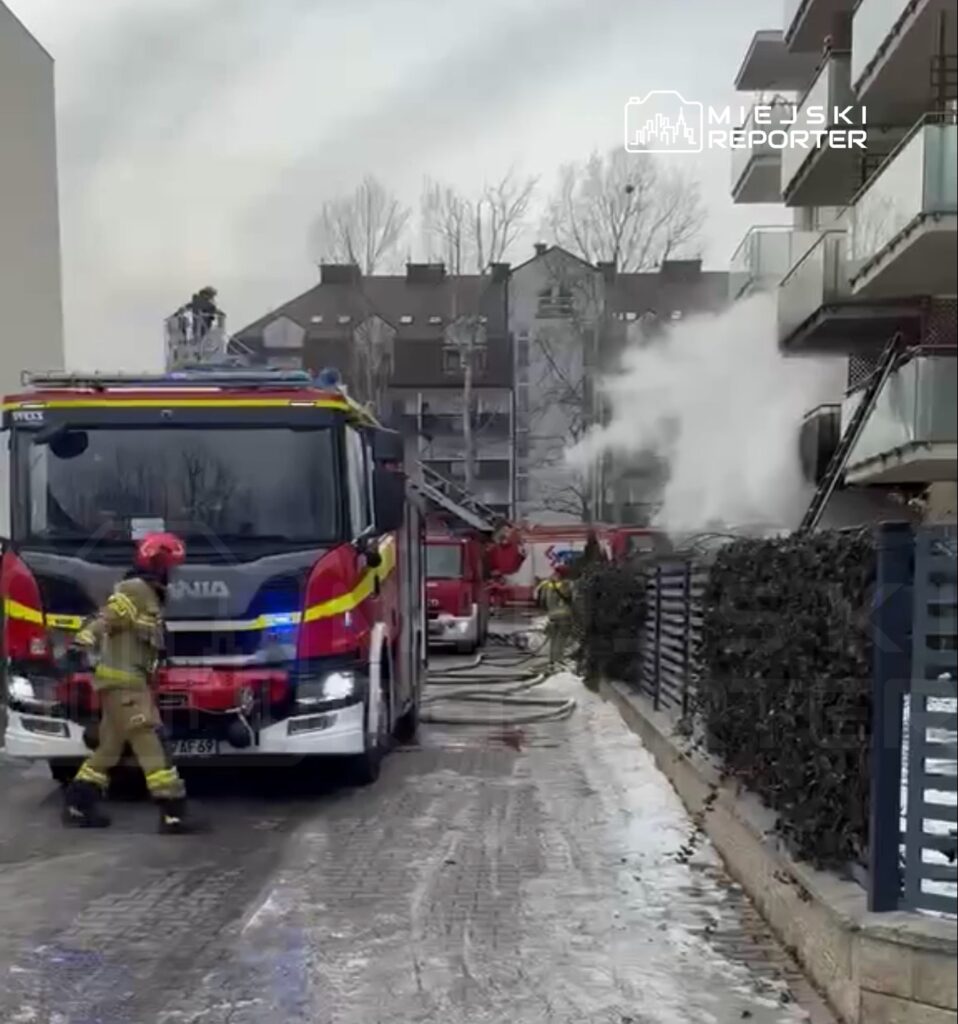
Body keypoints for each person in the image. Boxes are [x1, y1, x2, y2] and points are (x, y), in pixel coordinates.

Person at [62, 532, 205, 834]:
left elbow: (138, 635)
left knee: (109, 749)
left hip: (123, 684)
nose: (172, 573)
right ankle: (173, 812)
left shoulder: (149, 596)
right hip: (126, 685)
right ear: (159, 565)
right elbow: (106, 618)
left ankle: (78, 804)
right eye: (170, 566)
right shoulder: (135, 591)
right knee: (149, 741)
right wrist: (80, 646)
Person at [538, 562, 575, 668]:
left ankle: (552, 661)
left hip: (552, 615)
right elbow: (571, 598)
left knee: (554, 638)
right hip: (564, 615)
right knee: (561, 639)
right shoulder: (567, 584)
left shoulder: (547, 584)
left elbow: (542, 601)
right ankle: (558, 660)